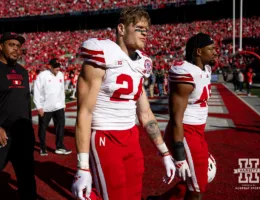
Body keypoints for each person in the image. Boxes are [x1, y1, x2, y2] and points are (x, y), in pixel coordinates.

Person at [71, 7, 176, 200]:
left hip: (131, 137)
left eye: (147, 30)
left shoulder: (141, 64)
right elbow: (84, 112)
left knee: (134, 194)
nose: (145, 34)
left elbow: (145, 114)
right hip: (105, 136)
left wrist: (164, 152)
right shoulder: (102, 54)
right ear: (121, 29)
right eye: (139, 28)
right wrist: (82, 166)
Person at [0, 32, 37, 200]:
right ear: (1, 46)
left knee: (27, 178)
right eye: (11, 45)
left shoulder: (22, 72)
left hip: (21, 135)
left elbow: (25, 103)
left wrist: (29, 131)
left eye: (18, 46)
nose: (16, 49)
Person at [164, 33, 218, 200]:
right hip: (185, 132)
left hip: (198, 132)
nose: (215, 52)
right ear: (198, 52)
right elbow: (176, 118)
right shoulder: (185, 74)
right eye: (211, 49)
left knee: (204, 175)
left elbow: (208, 66)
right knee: (197, 189)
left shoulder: (205, 68)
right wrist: (179, 153)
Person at [33, 58, 72, 156]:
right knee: (43, 127)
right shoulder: (42, 76)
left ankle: (59, 146)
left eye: (58, 66)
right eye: (55, 67)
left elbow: (62, 90)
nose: (57, 69)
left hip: (58, 106)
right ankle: (42, 147)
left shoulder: (60, 75)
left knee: (60, 127)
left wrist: (63, 104)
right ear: (49, 66)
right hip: (45, 107)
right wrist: (39, 106)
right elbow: (36, 91)